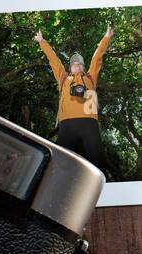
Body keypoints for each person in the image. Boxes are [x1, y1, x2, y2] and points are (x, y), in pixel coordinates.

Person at [35, 24, 114, 170]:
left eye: (80, 64)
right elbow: (54, 61)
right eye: (74, 64)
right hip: (67, 124)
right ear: (70, 67)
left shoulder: (90, 77)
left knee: (97, 159)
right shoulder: (64, 78)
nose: (77, 65)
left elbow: (97, 58)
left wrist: (106, 38)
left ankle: (102, 187)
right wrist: (42, 41)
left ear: (83, 67)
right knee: (60, 160)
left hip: (89, 123)